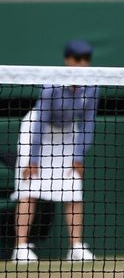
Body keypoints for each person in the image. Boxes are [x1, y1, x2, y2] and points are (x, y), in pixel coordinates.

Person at [11, 39, 99, 264]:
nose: (82, 64)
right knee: (29, 188)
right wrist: (33, 159)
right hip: (37, 132)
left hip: (67, 135)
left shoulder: (93, 86)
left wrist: (79, 157)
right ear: (68, 60)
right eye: (78, 59)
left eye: (86, 60)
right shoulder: (51, 86)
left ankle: (76, 247)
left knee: (73, 188)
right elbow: (40, 121)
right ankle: (20, 248)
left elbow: (88, 124)